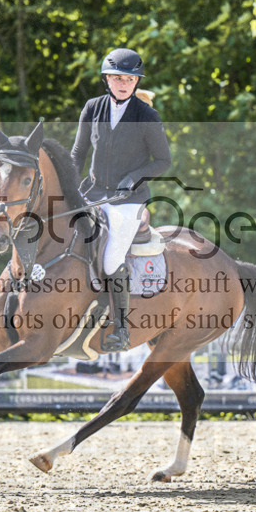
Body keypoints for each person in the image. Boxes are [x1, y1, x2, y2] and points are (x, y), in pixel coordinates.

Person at [71, 48, 171, 351]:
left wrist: (133, 179)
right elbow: (77, 154)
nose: (123, 83)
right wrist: (68, 187)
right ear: (107, 79)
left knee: (112, 258)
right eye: (117, 78)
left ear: (136, 82)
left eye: (129, 78)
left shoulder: (147, 115)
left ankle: (121, 330)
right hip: (93, 193)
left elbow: (163, 161)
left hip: (128, 200)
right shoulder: (92, 108)